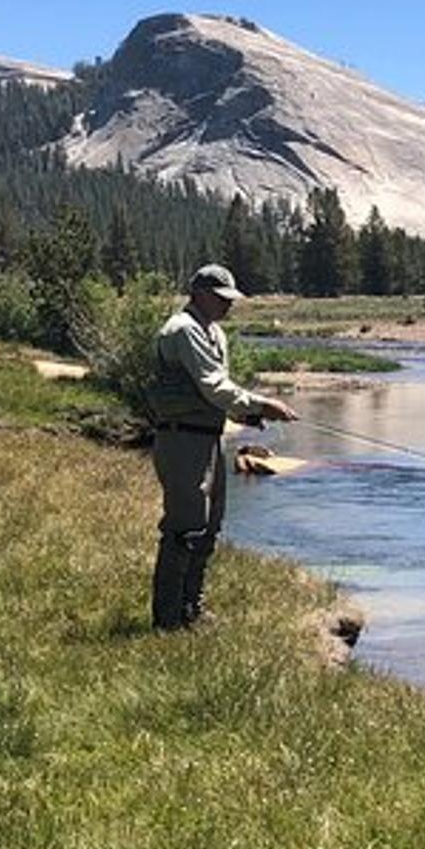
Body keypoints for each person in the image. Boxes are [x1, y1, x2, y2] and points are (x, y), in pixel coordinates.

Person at [147, 263, 298, 631]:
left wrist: (244, 416)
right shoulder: (182, 330)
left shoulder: (213, 332)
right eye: (221, 298)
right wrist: (262, 404)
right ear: (199, 294)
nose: (228, 306)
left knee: (209, 527)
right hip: (181, 440)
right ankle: (167, 621)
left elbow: (215, 395)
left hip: (207, 439)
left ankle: (192, 611)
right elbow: (214, 386)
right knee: (186, 527)